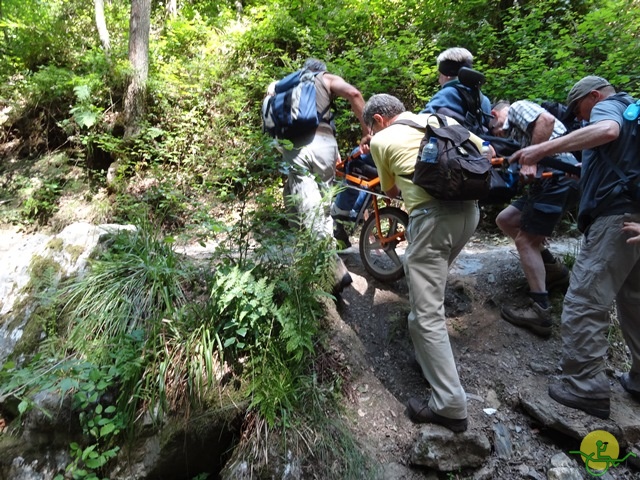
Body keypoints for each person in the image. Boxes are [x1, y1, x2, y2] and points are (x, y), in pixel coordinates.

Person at [510, 76, 640, 419]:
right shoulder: (633, 115)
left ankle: (585, 387)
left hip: (614, 220)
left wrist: (540, 149)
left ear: (594, 96)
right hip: (634, 220)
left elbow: (607, 130)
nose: (580, 119)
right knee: (634, 302)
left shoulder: (610, 108)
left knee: (584, 299)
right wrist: (582, 170)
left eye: (579, 110)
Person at [363, 93, 486, 432]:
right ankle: (428, 358)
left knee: (425, 314)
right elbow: (485, 153)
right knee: (430, 292)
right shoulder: (443, 121)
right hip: (470, 214)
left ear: (376, 120)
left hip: (432, 220)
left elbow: (388, 191)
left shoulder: (382, 139)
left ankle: (449, 406)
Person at [274, 58, 369, 293]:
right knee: (320, 205)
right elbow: (354, 94)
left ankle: (322, 265)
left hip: (292, 146)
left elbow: (269, 112)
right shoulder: (325, 79)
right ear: (322, 70)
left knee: (305, 202)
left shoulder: (283, 85)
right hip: (323, 142)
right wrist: (367, 132)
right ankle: (328, 266)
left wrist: (279, 145)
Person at [489, 100, 579, 337]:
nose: (496, 133)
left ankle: (540, 311)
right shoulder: (517, 134)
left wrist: (531, 159)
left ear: (494, 114)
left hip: (558, 176)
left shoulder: (518, 108)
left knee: (525, 241)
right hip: (546, 182)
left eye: (493, 128)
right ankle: (554, 272)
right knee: (506, 219)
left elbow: (546, 121)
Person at [420, 47, 492, 134]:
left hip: (449, 146)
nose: (439, 80)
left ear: (447, 75)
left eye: (439, 74)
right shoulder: (485, 100)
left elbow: (421, 120)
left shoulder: (446, 94)